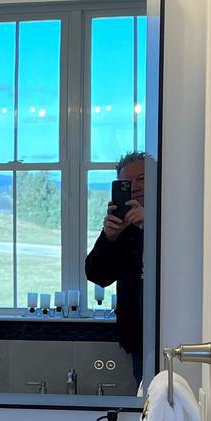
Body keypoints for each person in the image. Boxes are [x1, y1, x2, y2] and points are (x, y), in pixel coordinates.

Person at [84, 150, 148, 383]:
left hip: (172, 330)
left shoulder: (175, 217)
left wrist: (150, 222)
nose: (135, 187)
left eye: (142, 179)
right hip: (138, 338)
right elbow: (97, 275)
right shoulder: (123, 229)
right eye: (127, 183)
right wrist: (108, 238)